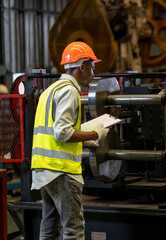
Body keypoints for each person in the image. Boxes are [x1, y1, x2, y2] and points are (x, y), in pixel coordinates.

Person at [31, 41, 109, 239]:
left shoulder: (50, 90)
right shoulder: (69, 91)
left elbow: (53, 132)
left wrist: (84, 140)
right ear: (82, 66)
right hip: (62, 171)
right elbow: (62, 133)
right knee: (74, 229)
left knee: (49, 227)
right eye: (92, 66)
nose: (93, 73)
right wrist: (95, 134)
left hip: (45, 169)